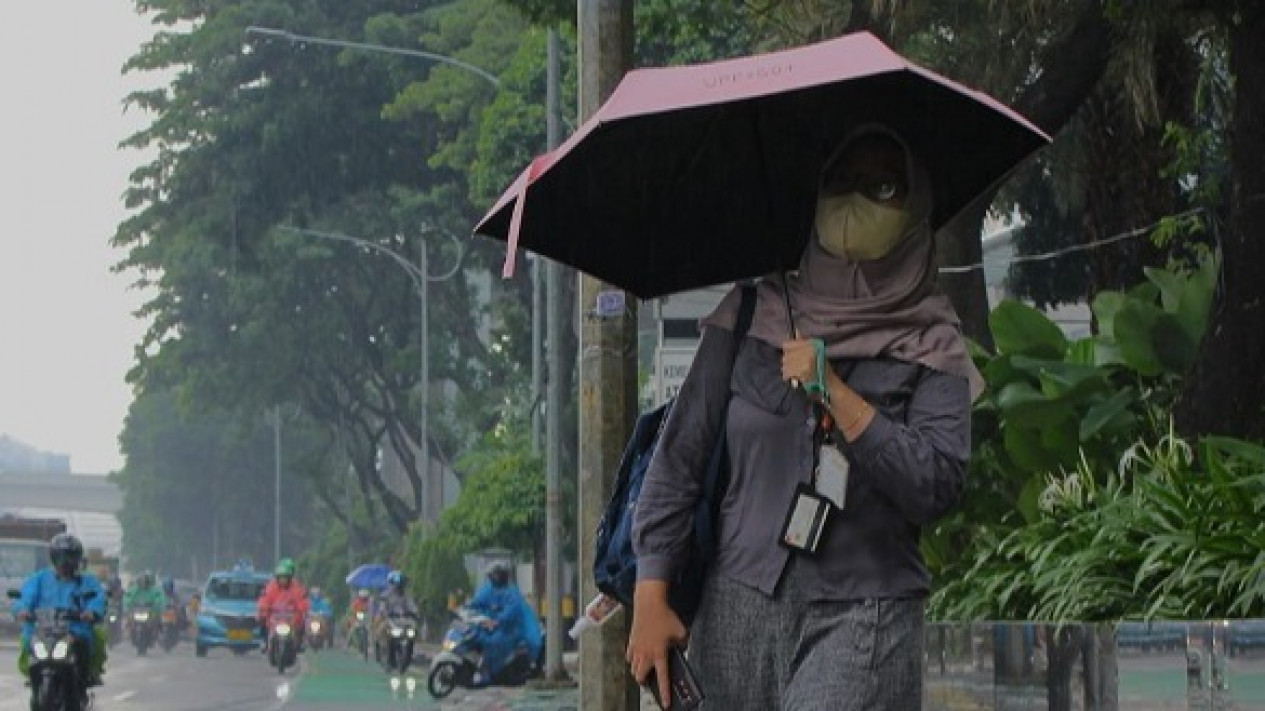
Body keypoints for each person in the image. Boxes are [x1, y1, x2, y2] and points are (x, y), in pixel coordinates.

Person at [627, 125, 978, 710]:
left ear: (916, 210)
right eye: (842, 182)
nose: (855, 201)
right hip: (735, 607)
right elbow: (679, 458)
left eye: (882, 187)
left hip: (865, 613)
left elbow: (936, 484)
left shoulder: (933, 343)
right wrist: (650, 593)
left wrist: (836, 394)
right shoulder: (749, 316)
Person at [12, 533, 108, 687]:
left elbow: (98, 598)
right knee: (27, 642)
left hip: (75, 632)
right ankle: (34, 677)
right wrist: (22, 610)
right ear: (53, 558)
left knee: (92, 640)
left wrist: (92, 612)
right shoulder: (40, 579)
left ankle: (85, 677)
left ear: (77, 559)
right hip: (42, 630)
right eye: (61, 557)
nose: (65, 563)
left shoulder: (87, 581)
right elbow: (25, 598)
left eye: (69, 557)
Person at [467, 562, 542, 686]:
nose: (492, 579)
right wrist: (467, 607)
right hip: (490, 625)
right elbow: (478, 602)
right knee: (475, 636)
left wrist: (498, 621)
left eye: (494, 576)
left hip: (509, 629)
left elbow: (511, 612)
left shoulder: (512, 593)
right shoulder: (488, 589)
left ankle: (489, 672)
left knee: (494, 642)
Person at [256, 558, 309, 648]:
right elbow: (264, 599)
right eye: (280, 578)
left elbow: (302, 601)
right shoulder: (271, 587)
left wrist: (301, 609)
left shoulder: (296, 588)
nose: (283, 580)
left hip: (290, 616)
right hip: (275, 616)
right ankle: (264, 640)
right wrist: (264, 608)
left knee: (302, 620)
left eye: (285, 578)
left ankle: (300, 641)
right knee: (261, 618)